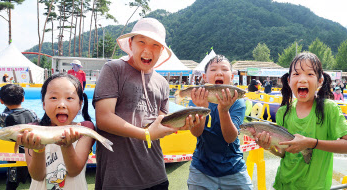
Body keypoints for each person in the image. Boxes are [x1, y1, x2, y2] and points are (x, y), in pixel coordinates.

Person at [93, 18, 196, 189]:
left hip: (156, 175)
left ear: (162, 50)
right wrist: (145, 134)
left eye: (155, 45)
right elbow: (103, 118)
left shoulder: (162, 83)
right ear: (131, 43)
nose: (148, 50)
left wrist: (179, 125)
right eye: (142, 42)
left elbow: (161, 124)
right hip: (118, 178)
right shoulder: (114, 69)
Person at [255, 52, 347, 189]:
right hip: (284, 184)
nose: (302, 80)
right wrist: (268, 147)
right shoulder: (283, 112)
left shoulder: (329, 109)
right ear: (288, 81)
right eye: (296, 74)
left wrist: (311, 143)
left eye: (310, 74)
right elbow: (283, 152)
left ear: (320, 81)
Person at [15, 73, 95, 190]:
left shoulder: (85, 129)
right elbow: (37, 176)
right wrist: (38, 149)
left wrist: (67, 146)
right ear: (43, 104)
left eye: (69, 98)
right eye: (53, 98)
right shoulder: (32, 130)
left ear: (80, 104)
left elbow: (74, 171)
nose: (61, 105)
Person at [187, 55, 253, 189]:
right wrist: (202, 108)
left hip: (233, 166)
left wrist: (223, 110)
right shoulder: (197, 98)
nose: (219, 72)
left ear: (232, 77)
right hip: (201, 168)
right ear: (205, 77)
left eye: (224, 69)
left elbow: (230, 138)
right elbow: (196, 132)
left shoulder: (238, 101)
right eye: (213, 70)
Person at [0, 84, 39, 190]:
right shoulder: (32, 112)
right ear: (23, 99)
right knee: (35, 179)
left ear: (1, 101)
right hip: (32, 153)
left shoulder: (4, 116)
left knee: (12, 182)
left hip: (15, 156)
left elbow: (2, 127)